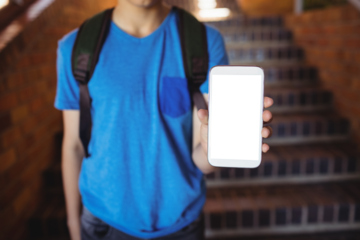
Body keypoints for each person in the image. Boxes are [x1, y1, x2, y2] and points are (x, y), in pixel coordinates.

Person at [54, 0, 273, 239]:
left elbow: (202, 159)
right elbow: (73, 145)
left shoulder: (203, 42)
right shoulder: (76, 47)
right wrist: (73, 223)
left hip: (182, 224)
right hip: (102, 222)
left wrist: (214, 147)